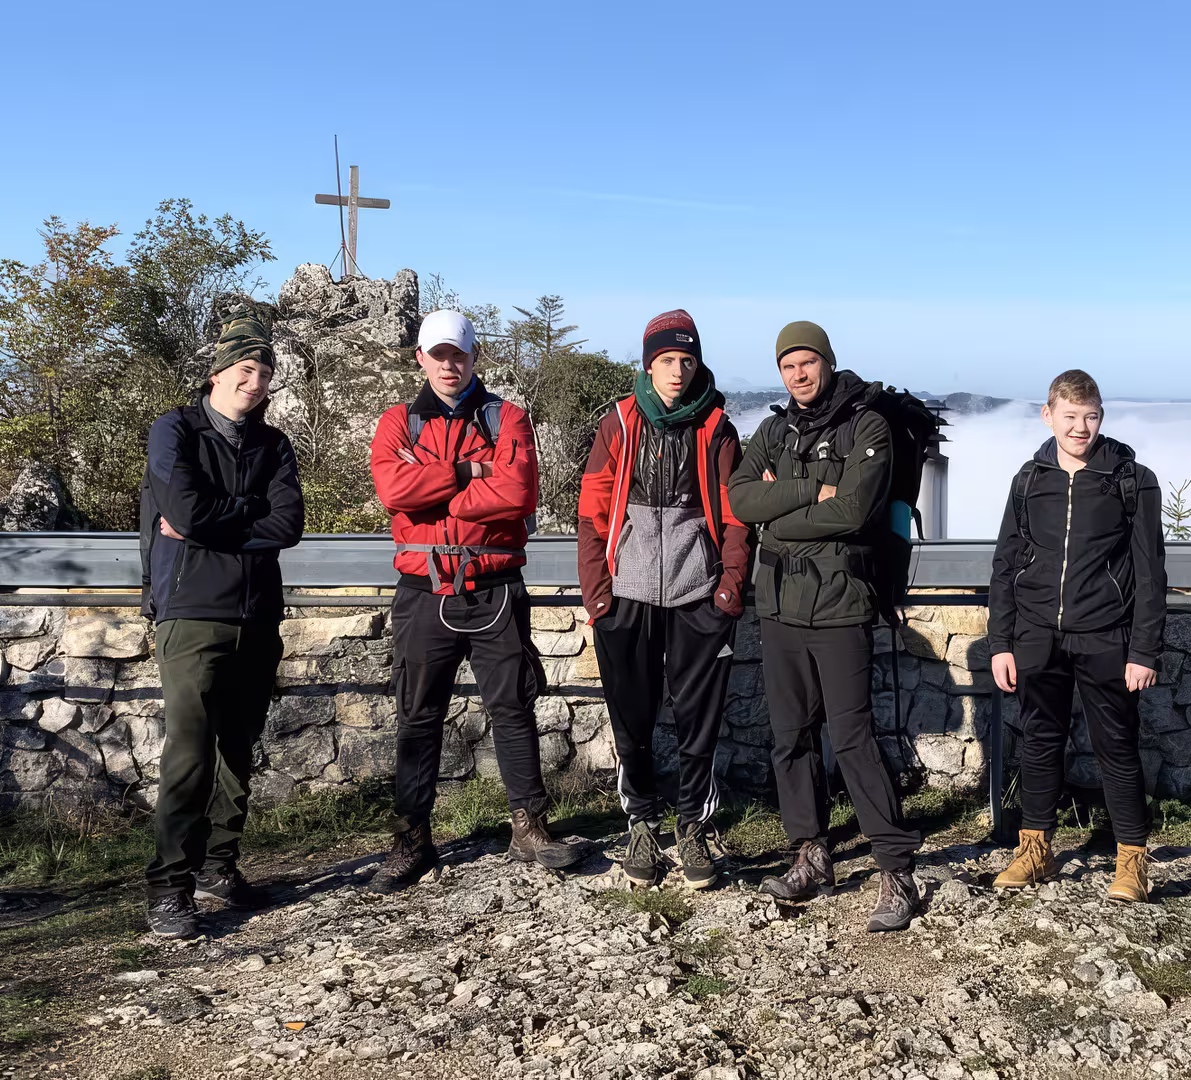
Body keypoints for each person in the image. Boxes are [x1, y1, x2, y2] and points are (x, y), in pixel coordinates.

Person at [366, 309, 578, 892]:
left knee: (513, 709)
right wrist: (470, 470)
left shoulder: (508, 416)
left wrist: (437, 488)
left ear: (474, 356)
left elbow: (518, 492)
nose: (448, 365)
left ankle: (530, 829)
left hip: (495, 586)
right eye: (438, 355)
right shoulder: (397, 421)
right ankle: (411, 841)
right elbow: (393, 490)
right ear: (420, 358)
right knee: (417, 716)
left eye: (457, 354)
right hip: (423, 589)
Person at [727, 320, 923, 933]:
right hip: (780, 605)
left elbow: (857, 509)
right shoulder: (773, 429)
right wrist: (814, 488)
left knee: (853, 736)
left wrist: (779, 515)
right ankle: (811, 854)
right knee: (791, 736)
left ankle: (896, 869)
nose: (798, 374)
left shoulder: (867, 425)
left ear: (828, 362)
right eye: (788, 366)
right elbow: (740, 501)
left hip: (840, 604)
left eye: (807, 362)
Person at [139, 306, 305, 938]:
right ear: (217, 372)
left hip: (258, 614)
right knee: (188, 751)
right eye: (245, 369)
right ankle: (169, 888)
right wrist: (247, 514)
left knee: (238, 748)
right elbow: (183, 509)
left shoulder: (274, 445)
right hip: (191, 613)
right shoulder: (175, 430)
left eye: (264, 373)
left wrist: (217, 519)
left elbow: (287, 525)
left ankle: (218, 868)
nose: (255, 383)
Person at [577, 310, 750, 889]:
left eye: (687, 360)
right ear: (648, 364)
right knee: (631, 718)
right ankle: (642, 824)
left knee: (699, 720)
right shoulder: (620, 423)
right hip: (626, 595)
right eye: (667, 359)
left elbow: (736, 517)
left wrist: (728, 589)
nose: (678, 370)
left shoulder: (717, 428)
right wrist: (598, 595)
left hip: (698, 593)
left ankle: (693, 826)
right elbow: (592, 511)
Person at [987, 369, 1167, 902]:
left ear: (1101, 416)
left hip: (1106, 633)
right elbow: (1005, 563)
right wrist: (1001, 642)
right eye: (1069, 417)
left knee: (1117, 745)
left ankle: (1132, 861)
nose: (1080, 428)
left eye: (1090, 417)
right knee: (1039, 741)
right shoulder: (1028, 479)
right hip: (1037, 633)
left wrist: (1144, 649)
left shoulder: (1132, 480)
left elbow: (1150, 571)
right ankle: (1034, 851)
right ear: (1048, 416)